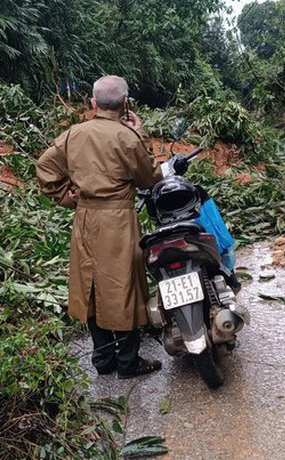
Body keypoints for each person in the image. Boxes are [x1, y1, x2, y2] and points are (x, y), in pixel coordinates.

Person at [35, 76, 187, 379]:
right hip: (118, 219)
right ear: (125, 102)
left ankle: (103, 361)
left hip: (86, 218)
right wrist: (139, 134)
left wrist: (67, 198)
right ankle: (128, 363)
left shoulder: (72, 135)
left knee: (90, 287)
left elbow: (45, 168)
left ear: (93, 103)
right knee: (123, 287)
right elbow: (151, 179)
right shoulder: (126, 137)